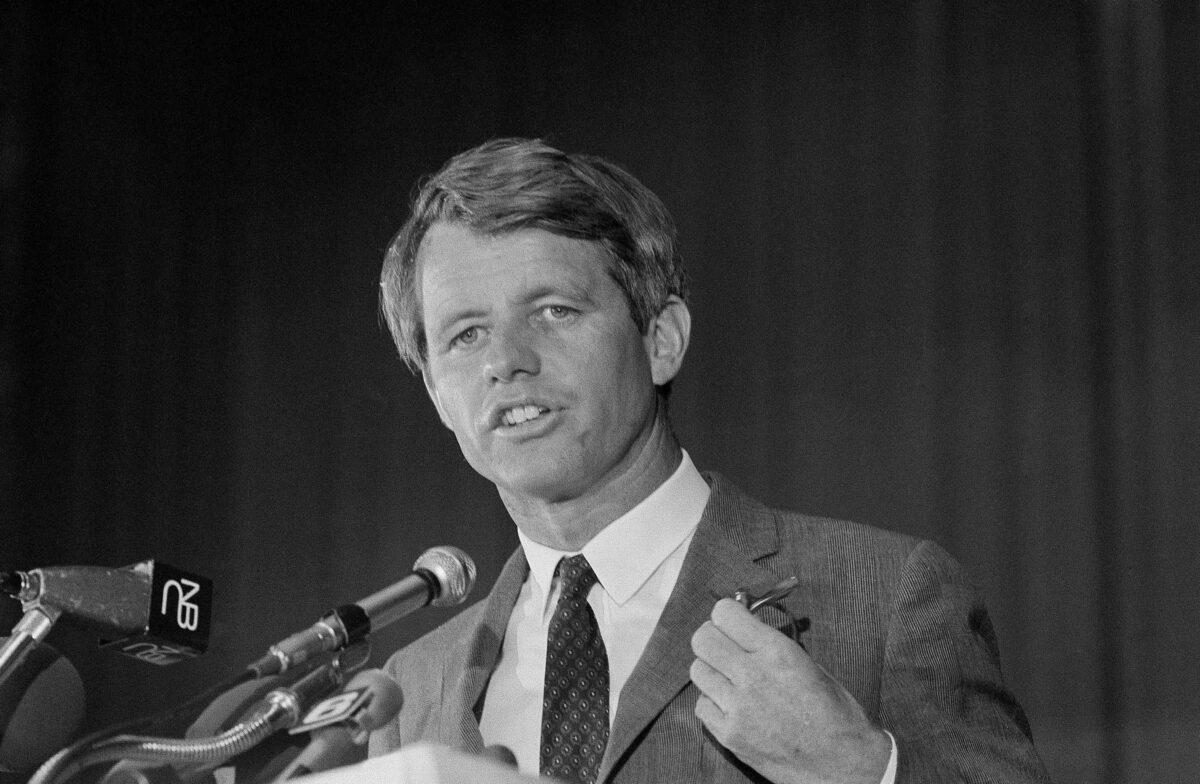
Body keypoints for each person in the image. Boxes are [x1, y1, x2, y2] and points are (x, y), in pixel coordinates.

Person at [368, 138, 1050, 783]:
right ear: (435, 393)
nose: (504, 361)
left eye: (553, 311)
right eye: (465, 335)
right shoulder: (411, 689)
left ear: (661, 339)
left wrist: (860, 770)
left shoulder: (886, 598)